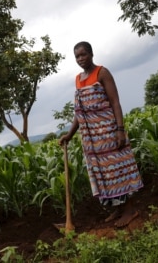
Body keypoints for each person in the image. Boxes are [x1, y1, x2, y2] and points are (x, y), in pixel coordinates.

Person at [59, 41, 144, 227]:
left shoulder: (102, 73)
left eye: (83, 54)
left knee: (119, 169)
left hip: (108, 132)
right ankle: (118, 209)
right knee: (106, 174)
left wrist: (120, 130)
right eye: (77, 56)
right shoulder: (78, 79)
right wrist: (69, 135)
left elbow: (115, 102)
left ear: (91, 54)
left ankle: (131, 210)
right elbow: (80, 113)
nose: (81, 59)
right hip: (93, 140)